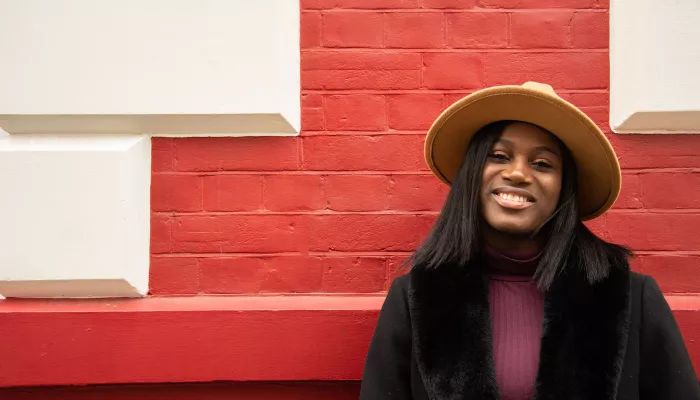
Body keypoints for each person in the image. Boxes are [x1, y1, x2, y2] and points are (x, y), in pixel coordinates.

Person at [358, 82, 700, 400]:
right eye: (499, 156)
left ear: (564, 189)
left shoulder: (630, 298)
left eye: (542, 163)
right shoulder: (416, 299)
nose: (518, 174)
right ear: (473, 175)